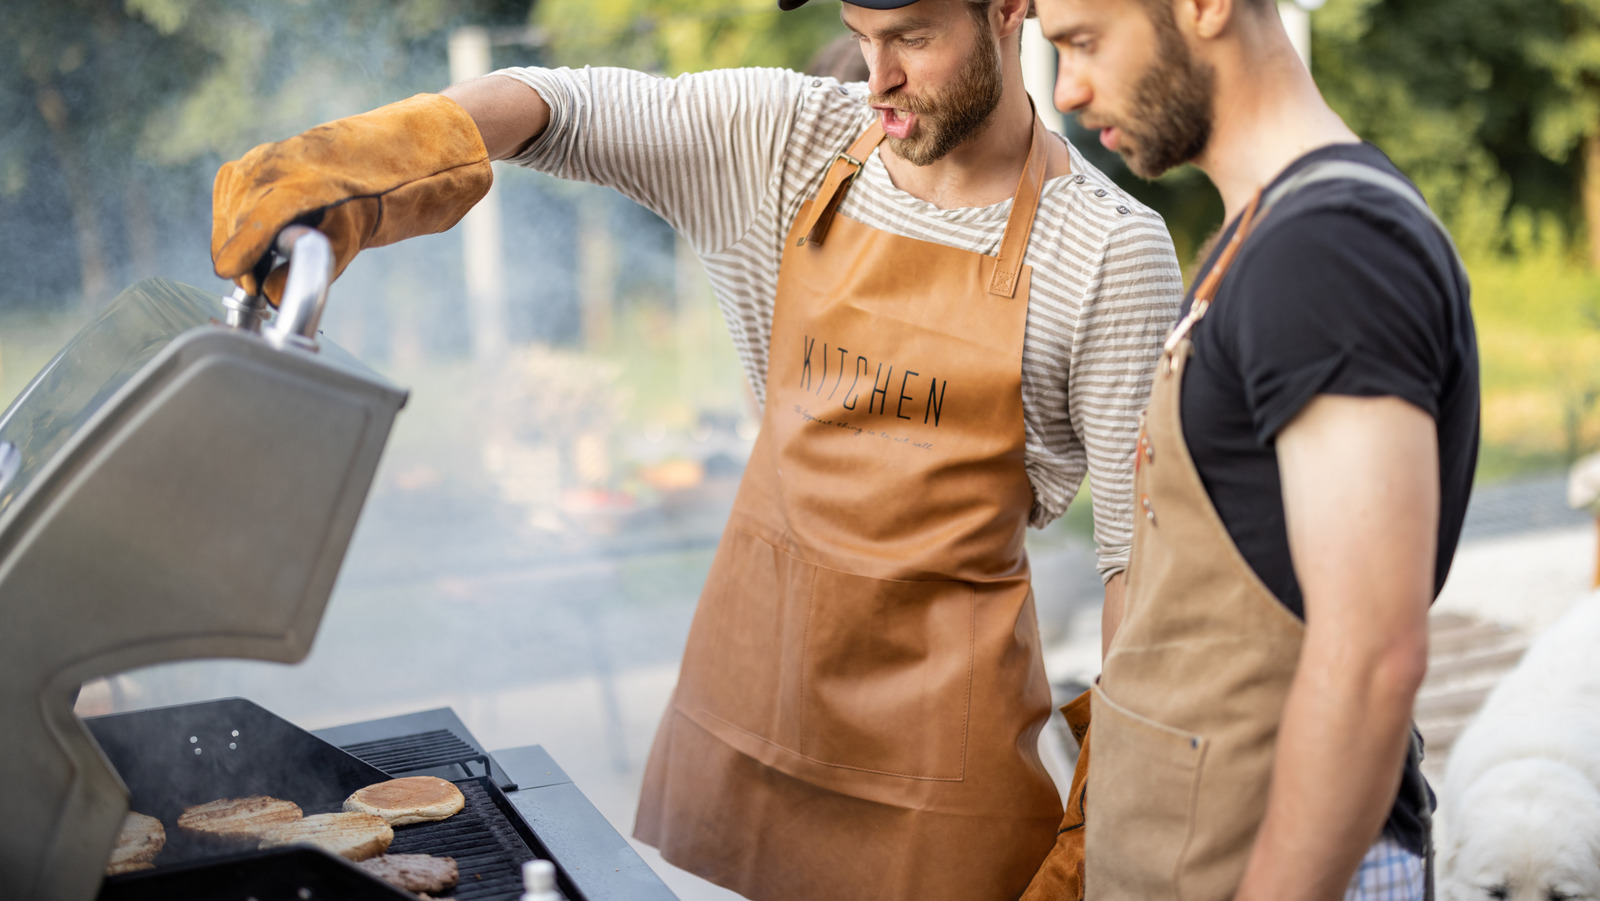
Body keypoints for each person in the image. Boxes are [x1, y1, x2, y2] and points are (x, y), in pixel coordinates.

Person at [209, 0, 1184, 897]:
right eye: (861, 31)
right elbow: (556, 106)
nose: (877, 74)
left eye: (914, 37)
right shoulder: (785, 139)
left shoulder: (1105, 252)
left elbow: (1139, 575)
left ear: (1009, 10)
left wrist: (1109, 836)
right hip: (764, 737)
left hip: (949, 789)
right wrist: (359, 171)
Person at [1020, 0, 1480, 899]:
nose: (1067, 91)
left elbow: (1371, 658)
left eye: (1082, 42)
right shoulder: (1267, 233)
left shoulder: (1328, 250)